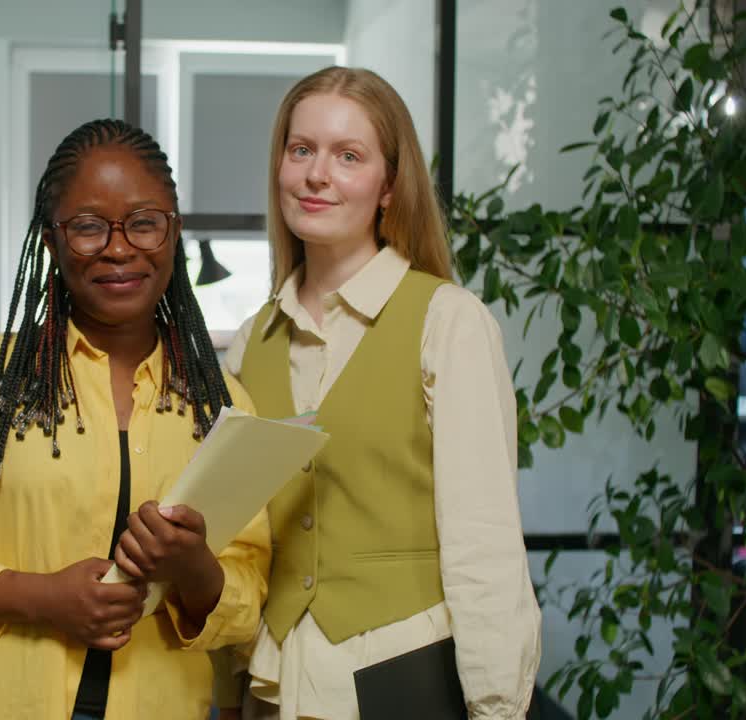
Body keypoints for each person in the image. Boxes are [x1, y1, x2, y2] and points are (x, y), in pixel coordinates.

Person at [0, 118, 270, 719]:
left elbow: (248, 597)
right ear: (52, 240)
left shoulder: (222, 405)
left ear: (174, 234)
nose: (118, 247)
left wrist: (196, 572)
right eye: (88, 227)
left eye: (144, 222)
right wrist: (41, 598)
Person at [218, 66, 542, 719]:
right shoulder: (252, 340)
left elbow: (485, 542)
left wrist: (499, 708)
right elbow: (239, 537)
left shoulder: (448, 322)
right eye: (301, 149)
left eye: (349, 156)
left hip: (404, 673)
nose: (317, 174)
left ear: (389, 185)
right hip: (274, 680)